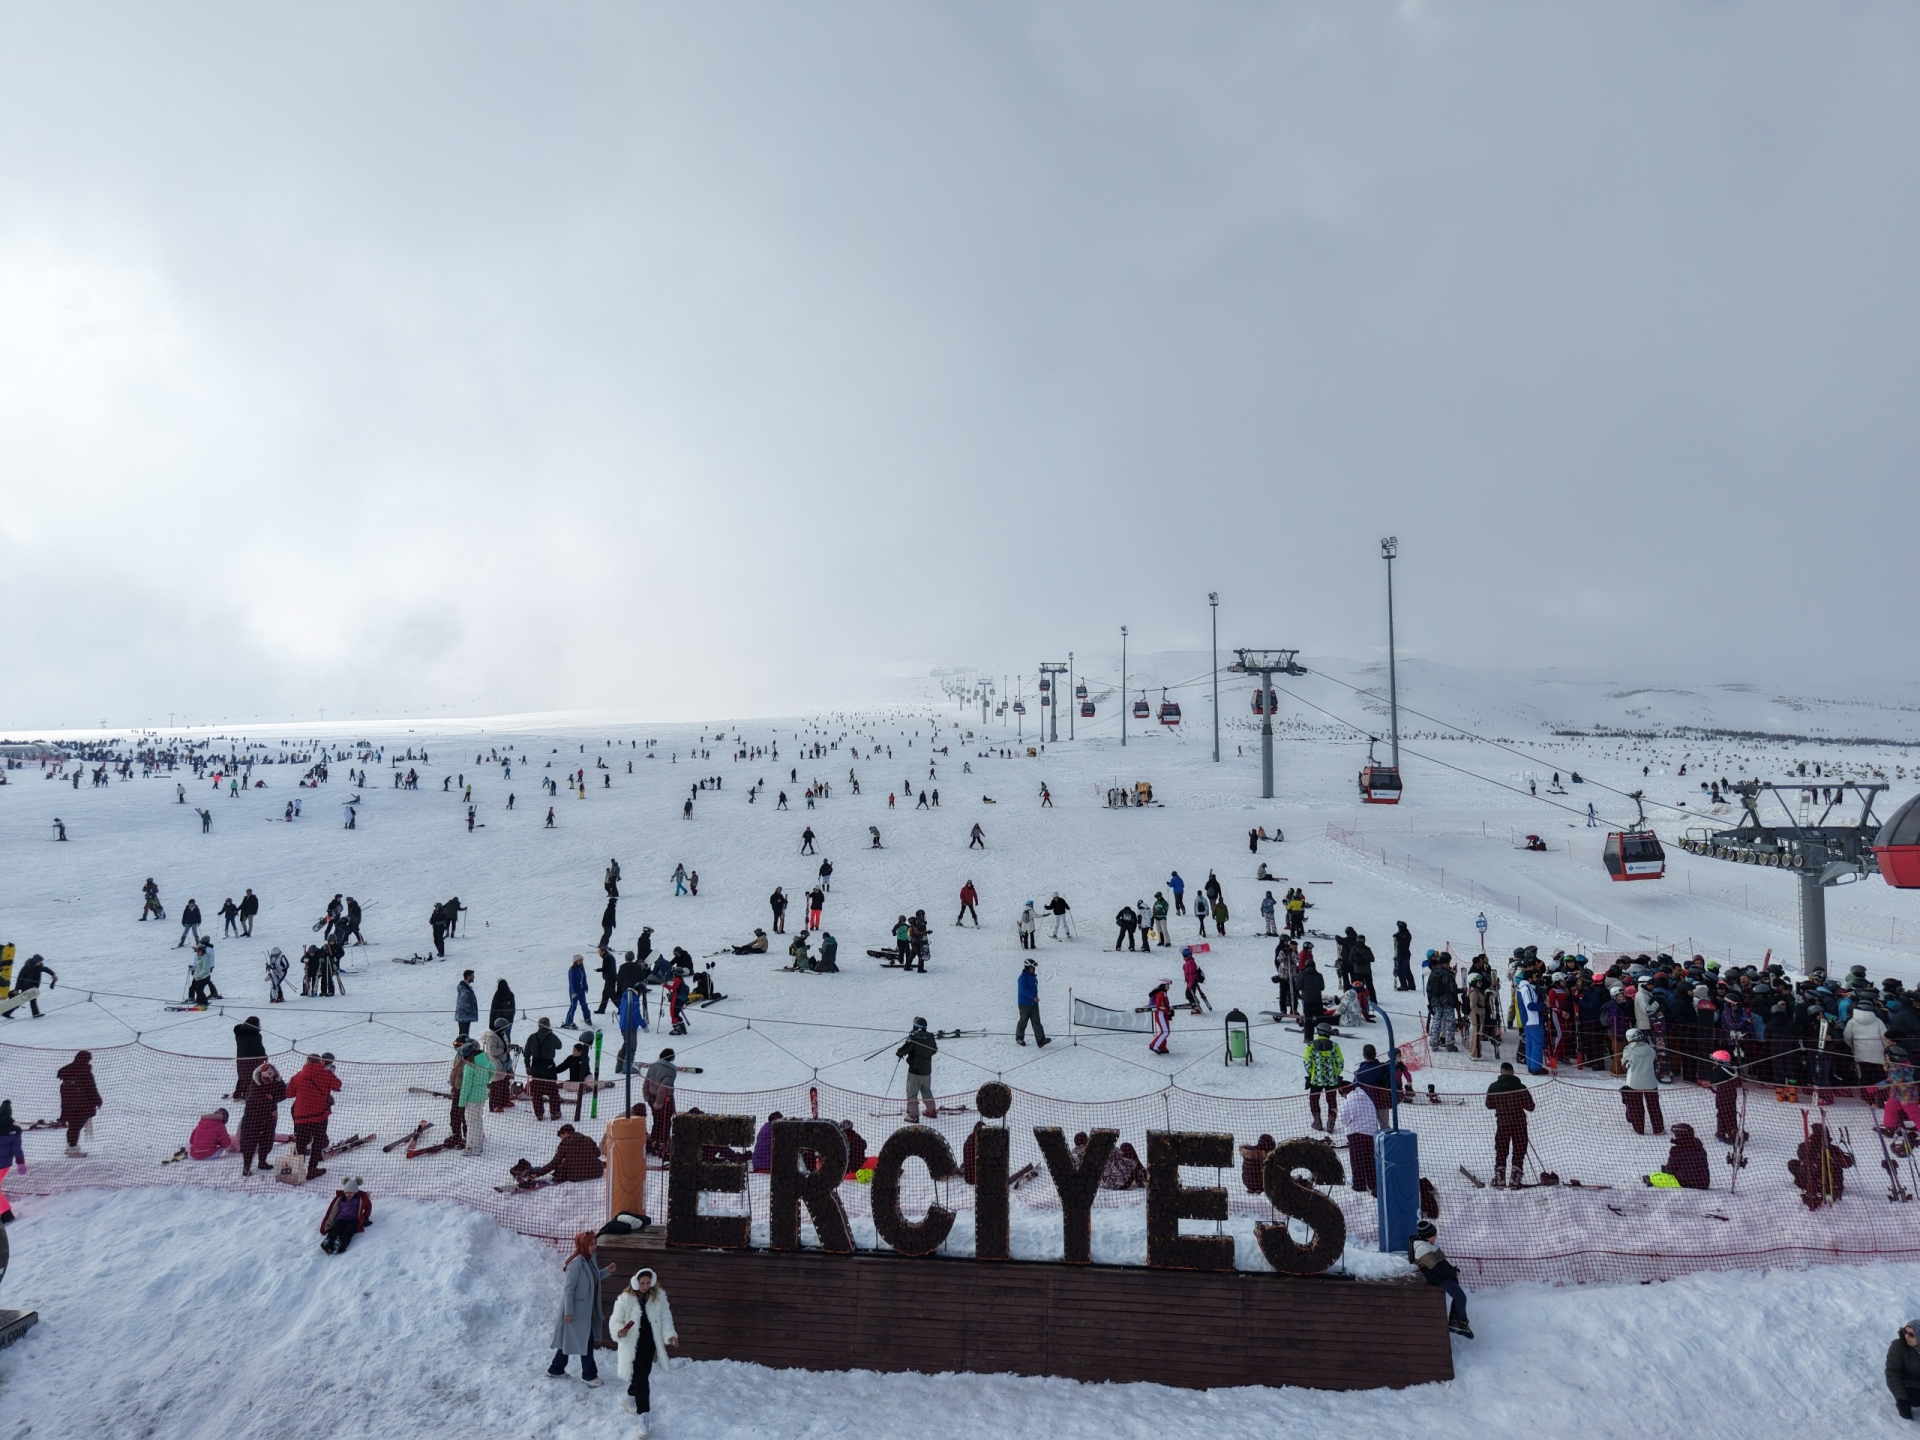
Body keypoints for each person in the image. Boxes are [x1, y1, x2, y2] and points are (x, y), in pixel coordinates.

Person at [611, 1267, 678, 1431]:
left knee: (642, 1375)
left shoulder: (658, 1297)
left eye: (648, 1283)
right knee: (642, 1380)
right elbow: (615, 1320)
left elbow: (665, 1317)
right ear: (636, 1282)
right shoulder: (625, 1299)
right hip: (632, 1345)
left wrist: (670, 1335)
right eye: (642, 1283)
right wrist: (619, 1331)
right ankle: (644, 1416)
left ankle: (629, 1396)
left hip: (649, 1343)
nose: (645, 1286)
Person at [549, 1232, 613, 1386]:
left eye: (595, 1243)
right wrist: (569, 1312)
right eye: (591, 1244)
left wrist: (607, 1271)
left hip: (586, 1310)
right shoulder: (576, 1263)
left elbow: (593, 1277)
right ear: (583, 1245)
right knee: (586, 1341)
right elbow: (568, 1289)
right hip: (576, 1312)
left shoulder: (589, 1259)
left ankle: (556, 1369)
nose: (594, 1247)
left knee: (571, 1339)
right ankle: (589, 1375)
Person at [1409, 1219, 1473, 1337]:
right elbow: (1436, 1268)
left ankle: (1455, 1320)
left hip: (1441, 1275)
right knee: (1461, 1297)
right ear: (1427, 1236)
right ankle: (1462, 1322)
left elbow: (1441, 1263)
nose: (1436, 1236)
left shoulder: (1428, 1244)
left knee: (1458, 1296)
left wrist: (1452, 1270)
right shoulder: (1422, 1248)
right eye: (1434, 1235)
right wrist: (1452, 1273)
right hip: (1437, 1278)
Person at [287, 1052, 341, 1180]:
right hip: (319, 1115)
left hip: (301, 1116)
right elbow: (337, 1085)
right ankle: (312, 1169)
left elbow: (289, 1094)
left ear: (307, 1062)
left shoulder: (297, 1077)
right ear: (320, 1062)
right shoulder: (326, 1074)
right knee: (318, 1141)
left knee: (301, 1143)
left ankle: (297, 1171)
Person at [1484, 1062, 1535, 1188]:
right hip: (1519, 1125)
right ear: (1513, 1072)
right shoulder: (1521, 1087)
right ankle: (1515, 1179)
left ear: (1501, 1072)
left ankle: (1500, 1178)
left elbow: (1489, 1105)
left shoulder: (1494, 1087)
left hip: (1503, 1124)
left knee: (1501, 1150)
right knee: (1519, 1150)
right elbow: (1530, 1106)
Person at [514, 1124, 606, 1187]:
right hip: (596, 1172)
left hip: (575, 1176)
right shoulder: (588, 1139)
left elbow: (554, 1163)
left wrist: (538, 1174)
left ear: (566, 1133)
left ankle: (532, 1172)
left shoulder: (565, 1144)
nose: (561, 1138)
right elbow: (598, 1153)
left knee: (561, 1167)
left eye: (561, 1135)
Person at [238, 1060, 286, 1176]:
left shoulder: (277, 1081)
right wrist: (271, 1106)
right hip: (253, 1116)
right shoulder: (254, 1085)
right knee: (249, 1140)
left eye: (269, 1080)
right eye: (265, 1080)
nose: (267, 1082)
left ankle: (262, 1161)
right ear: (261, 1076)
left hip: (269, 1117)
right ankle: (246, 1165)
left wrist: (273, 1098)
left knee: (268, 1139)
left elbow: (284, 1094)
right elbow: (254, 1099)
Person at [56, 1049, 102, 1156]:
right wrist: (98, 1100)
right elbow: (91, 1088)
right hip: (82, 1106)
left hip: (69, 1106)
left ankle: (71, 1147)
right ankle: (73, 1149)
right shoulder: (85, 1072)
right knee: (76, 1127)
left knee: (73, 1126)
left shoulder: (67, 1073)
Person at [1620, 1028, 1665, 1136]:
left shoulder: (1628, 1050)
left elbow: (1625, 1066)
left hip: (1634, 1082)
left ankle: (1638, 1129)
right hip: (1650, 1081)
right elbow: (1654, 1061)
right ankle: (1659, 1129)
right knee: (1654, 1106)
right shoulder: (1650, 1049)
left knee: (1636, 1106)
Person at [457, 1039, 495, 1157]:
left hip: (472, 1098)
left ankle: (472, 1148)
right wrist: (485, 1080)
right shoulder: (484, 1060)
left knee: (471, 1122)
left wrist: (461, 1104)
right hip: (482, 1095)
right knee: (478, 1119)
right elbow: (493, 1068)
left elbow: (466, 1087)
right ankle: (479, 1143)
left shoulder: (470, 1066)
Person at [898, 1018, 939, 1122]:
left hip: (915, 1071)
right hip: (927, 1071)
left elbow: (903, 1050)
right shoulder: (930, 1037)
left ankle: (913, 1115)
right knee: (926, 1091)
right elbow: (934, 1049)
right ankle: (931, 1110)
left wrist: (901, 1050)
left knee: (912, 1093)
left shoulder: (914, 1038)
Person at [1647, 1122, 1710, 1190]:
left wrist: (1664, 1169)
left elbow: (1670, 1170)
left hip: (1685, 1182)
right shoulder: (1699, 1147)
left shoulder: (1677, 1150)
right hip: (1704, 1183)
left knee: (1653, 1177)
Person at [1305, 1023, 1344, 1132]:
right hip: (1332, 1080)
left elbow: (1307, 1063)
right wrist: (1335, 1073)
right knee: (1332, 1100)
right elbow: (1340, 1063)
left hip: (1316, 1080)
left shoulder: (1311, 1045)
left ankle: (1317, 1121)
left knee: (1314, 1099)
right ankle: (1331, 1122)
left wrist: (1312, 1073)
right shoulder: (1334, 1046)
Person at [524, 1017, 564, 1120]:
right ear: (548, 1025)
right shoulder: (552, 1037)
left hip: (536, 1066)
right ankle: (554, 1112)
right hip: (548, 1066)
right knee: (552, 1091)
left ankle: (539, 1114)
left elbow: (526, 1053)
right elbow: (559, 1046)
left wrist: (527, 1065)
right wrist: (551, 1033)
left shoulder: (532, 1037)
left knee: (537, 1091)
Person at [319, 1177, 371, 1254]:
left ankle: (341, 1244)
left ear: (355, 1192)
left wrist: (366, 1217)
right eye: (346, 1192)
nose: (348, 1194)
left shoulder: (359, 1199)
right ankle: (328, 1240)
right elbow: (334, 1209)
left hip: (353, 1220)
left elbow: (368, 1207)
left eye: (351, 1192)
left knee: (348, 1231)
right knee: (335, 1228)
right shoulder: (341, 1198)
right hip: (341, 1218)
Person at [1886, 1320, 1920, 1420]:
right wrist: (1902, 1400)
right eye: (1905, 1331)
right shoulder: (1898, 1347)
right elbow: (1892, 1374)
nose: (1907, 1336)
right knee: (1914, 1398)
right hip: (1910, 1386)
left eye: (1911, 1334)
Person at [1015, 958, 1049, 1047]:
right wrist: (1033, 997)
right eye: (1032, 967)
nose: (1033, 969)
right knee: (1023, 1021)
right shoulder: (1022, 978)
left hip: (1034, 1004)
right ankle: (1019, 1038)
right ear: (1027, 968)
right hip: (1024, 1004)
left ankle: (1041, 1040)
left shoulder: (1033, 977)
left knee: (1036, 1022)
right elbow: (1023, 990)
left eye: (1034, 968)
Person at [11, 952, 56, 1017]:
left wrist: (53, 974)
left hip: (33, 987)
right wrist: (16, 989)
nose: (40, 962)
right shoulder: (26, 968)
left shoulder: (39, 967)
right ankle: (35, 1013)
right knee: (22, 999)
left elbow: (46, 969)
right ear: (35, 961)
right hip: (26, 987)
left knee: (30, 999)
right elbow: (20, 979)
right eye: (39, 961)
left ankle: (35, 1013)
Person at [0, 1101, 23, 1223]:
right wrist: (21, 1162)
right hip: (5, 1165)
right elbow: (17, 1149)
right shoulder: (15, 1129)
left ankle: (6, 1214)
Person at [1147, 981, 1173, 1055]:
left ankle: (1162, 1047)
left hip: (1163, 1014)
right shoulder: (1161, 993)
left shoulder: (1163, 993)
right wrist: (1167, 1011)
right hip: (1160, 1014)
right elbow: (1159, 1005)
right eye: (1167, 985)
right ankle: (1154, 1046)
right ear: (1163, 985)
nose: (1169, 987)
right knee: (1165, 1032)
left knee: (1166, 1031)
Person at [1393, 921, 1415, 991]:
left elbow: (1403, 943)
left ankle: (1404, 985)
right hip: (1404, 954)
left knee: (1401, 970)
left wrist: (1398, 937)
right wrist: (1397, 936)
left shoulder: (1406, 935)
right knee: (1407, 970)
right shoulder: (1403, 933)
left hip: (1403, 954)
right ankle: (1411, 985)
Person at [455, 971, 478, 1039]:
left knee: (463, 1035)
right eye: (472, 976)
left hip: (464, 1016)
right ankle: (462, 1046)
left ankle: (462, 1045)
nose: (474, 977)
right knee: (463, 1036)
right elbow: (464, 1003)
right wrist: (471, 1011)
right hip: (464, 1016)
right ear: (468, 976)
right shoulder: (465, 989)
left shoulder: (465, 987)